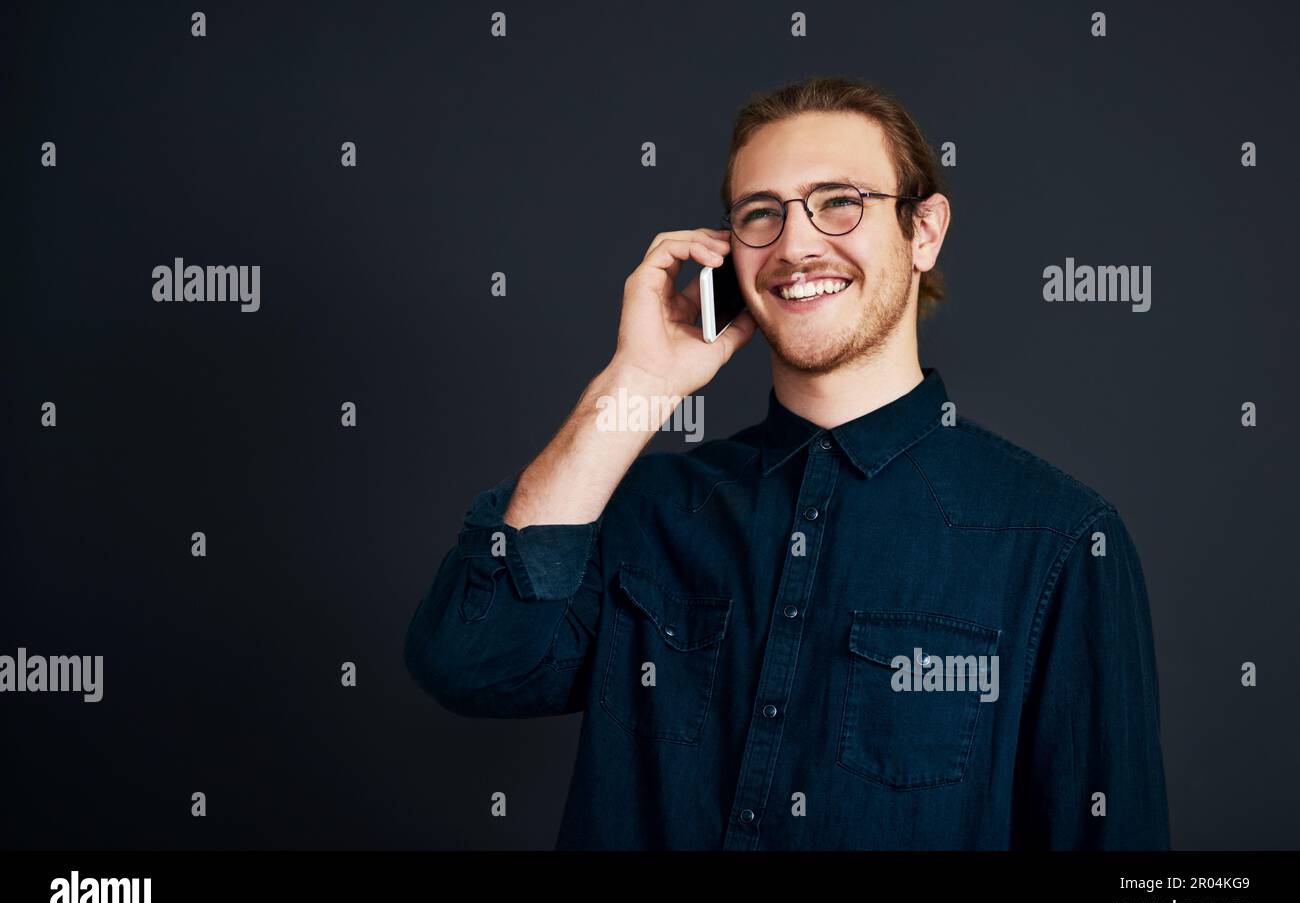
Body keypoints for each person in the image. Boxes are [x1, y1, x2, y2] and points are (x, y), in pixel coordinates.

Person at [404, 76, 1171, 850]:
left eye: (839, 200)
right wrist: (637, 382)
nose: (797, 245)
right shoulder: (645, 508)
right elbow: (468, 660)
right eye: (760, 214)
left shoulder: (1061, 541)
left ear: (924, 230)